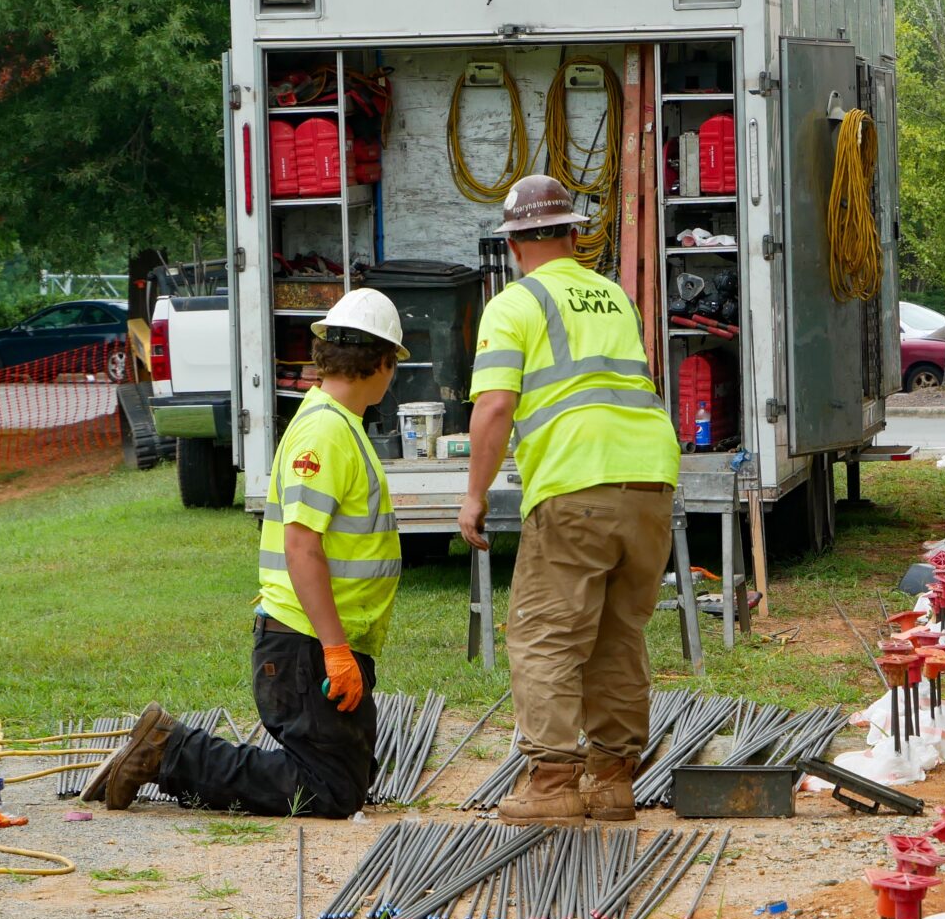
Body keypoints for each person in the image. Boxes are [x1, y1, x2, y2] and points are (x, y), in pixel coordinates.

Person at [83, 289, 408, 815]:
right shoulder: (325, 432)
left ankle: (169, 749)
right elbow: (302, 548)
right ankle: (168, 750)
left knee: (347, 777)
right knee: (330, 792)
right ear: (383, 362)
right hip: (305, 647)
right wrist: (335, 650)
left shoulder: (334, 422)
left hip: (313, 642)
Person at [460, 174, 680, 825]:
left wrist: (473, 495)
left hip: (576, 482)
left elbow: (494, 406)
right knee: (617, 635)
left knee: (545, 636)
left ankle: (553, 782)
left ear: (513, 244)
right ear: (572, 235)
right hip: (650, 480)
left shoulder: (514, 304)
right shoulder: (614, 298)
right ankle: (611, 783)